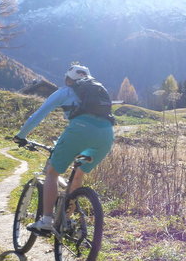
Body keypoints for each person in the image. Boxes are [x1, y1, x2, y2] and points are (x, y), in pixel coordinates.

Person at [13, 63, 114, 234]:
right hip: (106, 136)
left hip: (79, 131)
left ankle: (46, 220)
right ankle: (66, 221)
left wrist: (21, 135)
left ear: (68, 80)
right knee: (78, 175)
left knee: (52, 173)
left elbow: (38, 115)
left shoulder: (65, 92)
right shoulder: (98, 92)